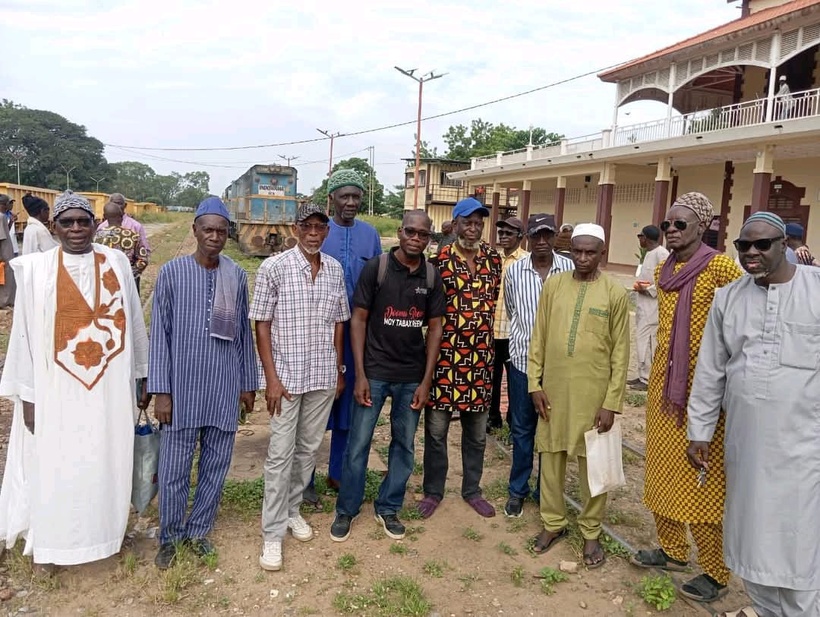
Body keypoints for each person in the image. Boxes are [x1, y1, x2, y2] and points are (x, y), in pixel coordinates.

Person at [0, 190, 149, 565]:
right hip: (55, 391)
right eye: (68, 222)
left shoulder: (115, 262)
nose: (77, 228)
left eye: (84, 221)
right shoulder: (36, 271)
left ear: (95, 224)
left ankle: (106, 538)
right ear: (55, 227)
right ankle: (55, 544)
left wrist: (141, 375)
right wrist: (28, 397)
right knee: (58, 464)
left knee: (106, 459)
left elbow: (133, 322)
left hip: (109, 390)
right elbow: (23, 336)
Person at [687, 212, 820, 617]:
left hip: (805, 450)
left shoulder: (816, 290)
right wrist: (700, 431)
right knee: (753, 544)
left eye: (762, 244)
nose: (752, 253)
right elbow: (711, 370)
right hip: (746, 447)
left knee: (800, 553)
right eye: (743, 245)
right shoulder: (729, 297)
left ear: (785, 245)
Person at [631, 192, 743, 603]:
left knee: (704, 481)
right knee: (662, 470)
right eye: (668, 225)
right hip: (665, 385)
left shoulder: (720, 267)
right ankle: (673, 550)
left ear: (702, 226)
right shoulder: (665, 267)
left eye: (681, 224)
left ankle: (715, 572)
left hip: (706, 388)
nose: (672, 231)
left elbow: (742, 319)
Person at [149, 197, 257, 569]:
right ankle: (170, 536)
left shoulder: (236, 275)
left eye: (221, 231)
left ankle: (198, 531)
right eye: (207, 229)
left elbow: (243, 332)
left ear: (229, 235)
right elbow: (159, 336)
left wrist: (248, 383)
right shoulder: (172, 273)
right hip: (182, 390)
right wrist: (161, 392)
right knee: (175, 468)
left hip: (224, 387)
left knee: (216, 465)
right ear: (194, 230)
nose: (214, 237)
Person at [331, 210, 445, 542]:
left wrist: (426, 381)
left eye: (423, 234)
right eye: (410, 231)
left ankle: (388, 506)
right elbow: (358, 320)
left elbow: (435, 329)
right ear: (399, 232)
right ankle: (346, 509)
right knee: (358, 445)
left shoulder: (431, 276)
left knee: (404, 447)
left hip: (411, 377)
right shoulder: (377, 268)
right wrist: (361, 374)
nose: (416, 238)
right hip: (376, 374)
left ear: (428, 238)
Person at [252, 203, 349, 572]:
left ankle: (293, 511)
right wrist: (271, 379)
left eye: (319, 227)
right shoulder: (273, 268)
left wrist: (339, 370)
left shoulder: (334, 270)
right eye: (306, 226)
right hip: (287, 379)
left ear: (326, 232)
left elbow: (340, 322)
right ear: (295, 229)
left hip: (322, 376)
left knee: (308, 450)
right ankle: (272, 534)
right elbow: (261, 324)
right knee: (279, 454)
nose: (312, 233)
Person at [527, 223, 629, 568]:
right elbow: (538, 337)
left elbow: (620, 353)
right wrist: (534, 384)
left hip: (593, 395)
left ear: (603, 252)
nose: (582, 258)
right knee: (551, 460)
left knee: (593, 466)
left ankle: (590, 532)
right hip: (553, 390)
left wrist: (611, 403)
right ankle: (553, 523)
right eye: (576, 251)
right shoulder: (554, 285)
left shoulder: (614, 293)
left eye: (590, 252)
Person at [419, 197, 502, 519]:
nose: (473, 227)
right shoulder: (437, 261)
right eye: (467, 221)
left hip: (480, 361)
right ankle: (433, 491)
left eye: (479, 222)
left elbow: (493, 302)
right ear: (454, 225)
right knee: (437, 433)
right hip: (443, 362)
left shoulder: (493, 259)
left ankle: (472, 490)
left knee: (477, 434)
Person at [302, 169, 381, 504]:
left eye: (356, 196)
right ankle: (304, 480)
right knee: (314, 406)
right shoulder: (320, 232)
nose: (350, 202)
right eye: (344, 196)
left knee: (350, 406)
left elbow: (378, 279)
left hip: (357, 333)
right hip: (318, 331)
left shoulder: (370, 235)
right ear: (331, 197)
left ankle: (338, 474)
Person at [502, 214, 573, 518]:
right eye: (536, 235)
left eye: (548, 235)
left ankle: (546, 490)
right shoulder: (515, 270)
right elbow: (512, 308)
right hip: (521, 363)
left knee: (552, 429)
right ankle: (518, 490)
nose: (542, 242)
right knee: (522, 429)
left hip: (558, 368)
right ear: (527, 237)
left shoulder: (570, 269)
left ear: (556, 235)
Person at [488, 216, 528, 432]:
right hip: (492, 331)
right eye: (501, 233)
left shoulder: (526, 261)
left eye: (508, 234)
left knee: (515, 380)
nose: (503, 237)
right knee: (492, 378)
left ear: (520, 237)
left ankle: (514, 420)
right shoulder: (493, 260)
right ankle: (493, 417)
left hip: (514, 332)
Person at [629, 225, 669, 392]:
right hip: (643, 305)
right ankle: (642, 374)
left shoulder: (662, 254)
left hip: (653, 307)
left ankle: (647, 379)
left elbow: (666, 280)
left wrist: (647, 289)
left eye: (641, 236)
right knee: (641, 341)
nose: (639, 239)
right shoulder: (649, 254)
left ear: (646, 238)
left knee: (646, 342)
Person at [97, 193, 150, 293]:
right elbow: (143, 259)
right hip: (106, 280)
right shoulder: (99, 229)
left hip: (127, 279)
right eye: (113, 203)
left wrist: (130, 274)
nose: (116, 206)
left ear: (125, 206)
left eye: (119, 203)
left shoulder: (135, 226)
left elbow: (146, 251)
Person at [0, 195, 17, 308]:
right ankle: (5, 302)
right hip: (4, 252)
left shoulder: (3, 217)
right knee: (6, 277)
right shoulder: (0, 217)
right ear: (4, 204)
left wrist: (11, 222)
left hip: (6, 249)